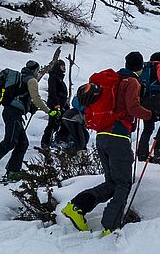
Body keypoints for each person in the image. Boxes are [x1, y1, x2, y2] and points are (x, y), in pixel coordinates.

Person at [61, 52, 153, 236]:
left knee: (112, 183)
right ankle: (111, 226)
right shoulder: (131, 82)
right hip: (118, 136)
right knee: (123, 184)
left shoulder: (114, 81)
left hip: (101, 136)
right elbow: (133, 108)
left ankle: (76, 207)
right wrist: (152, 114)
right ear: (140, 67)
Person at [0, 57, 59, 182]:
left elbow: (22, 96)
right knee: (10, 142)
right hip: (14, 113)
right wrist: (49, 111)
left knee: (23, 143)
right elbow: (36, 99)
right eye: (38, 71)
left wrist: (30, 107)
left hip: (11, 112)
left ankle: (13, 171)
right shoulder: (31, 80)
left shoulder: (21, 79)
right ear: (35, 70)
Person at [40, 59, 69, 150]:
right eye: (62, 66)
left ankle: (57, 140)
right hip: (55, 104)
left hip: (61, 104)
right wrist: (56, 105)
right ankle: (45, 142)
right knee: (53, 123)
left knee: (61, 122)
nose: (64, 68)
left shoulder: (59, 77)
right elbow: (52, 92)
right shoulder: (53, 77)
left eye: (64, 66)